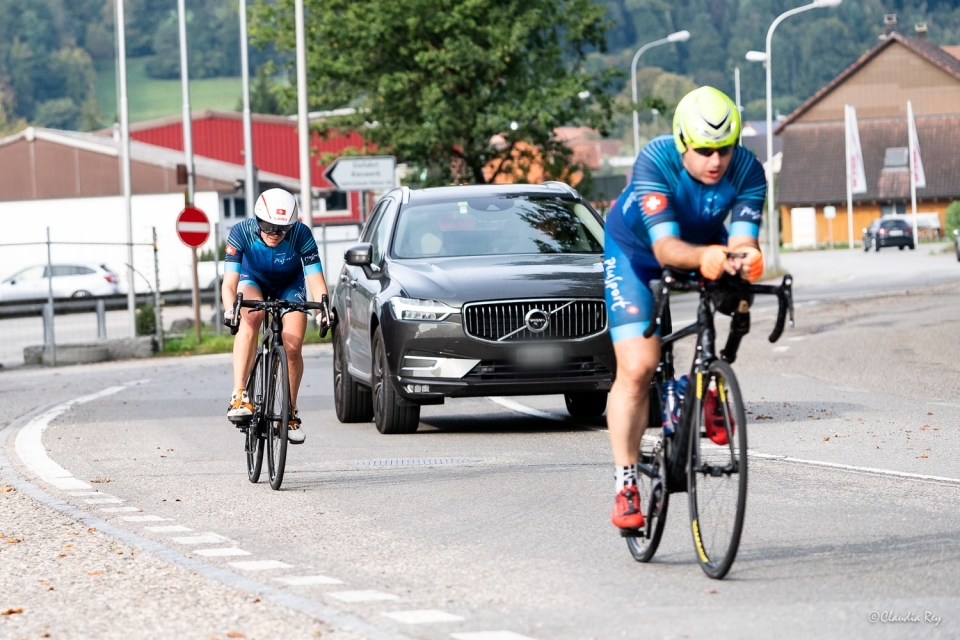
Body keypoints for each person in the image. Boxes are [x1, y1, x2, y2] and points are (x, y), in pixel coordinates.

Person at [603, 87, 766, 530]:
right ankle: (625, 483)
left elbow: (743, 238)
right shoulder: (655, 161)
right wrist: (705, 257)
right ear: (682, 143)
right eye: (705, 150)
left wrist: (747, 255)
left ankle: (702, 386)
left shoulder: (749, 170)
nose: (716, 161)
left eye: (725, 149)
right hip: (636, 253)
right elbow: (666, 247)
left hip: (698, 247)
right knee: (639, 367)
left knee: (737, 290)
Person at [222, 188, 331, 443]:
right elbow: (229, 284)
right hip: (253, 281)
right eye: (268, 227)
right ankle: (239, 394)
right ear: (258, 220)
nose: (274, 234)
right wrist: (231, 310)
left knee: (292, 346)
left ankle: (290, 413)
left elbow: (316, 281)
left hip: (289, 285)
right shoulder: (241, 232)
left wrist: (325, 310)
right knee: (252, 316)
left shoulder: (301, 234)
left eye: (282, 229)